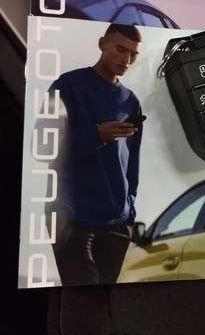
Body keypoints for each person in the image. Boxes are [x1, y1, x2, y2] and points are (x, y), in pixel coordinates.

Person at [45, 23, 144, 286]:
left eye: (133, 54)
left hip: (118, 224)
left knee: (102, 302)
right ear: (102, 44)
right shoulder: (67, 85)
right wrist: (96, 135)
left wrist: (130, 209)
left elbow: (132, 162)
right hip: (73, 221)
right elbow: (42, 146)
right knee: (84, 298)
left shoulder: (131, 101)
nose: (127, 60)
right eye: (120, 49)